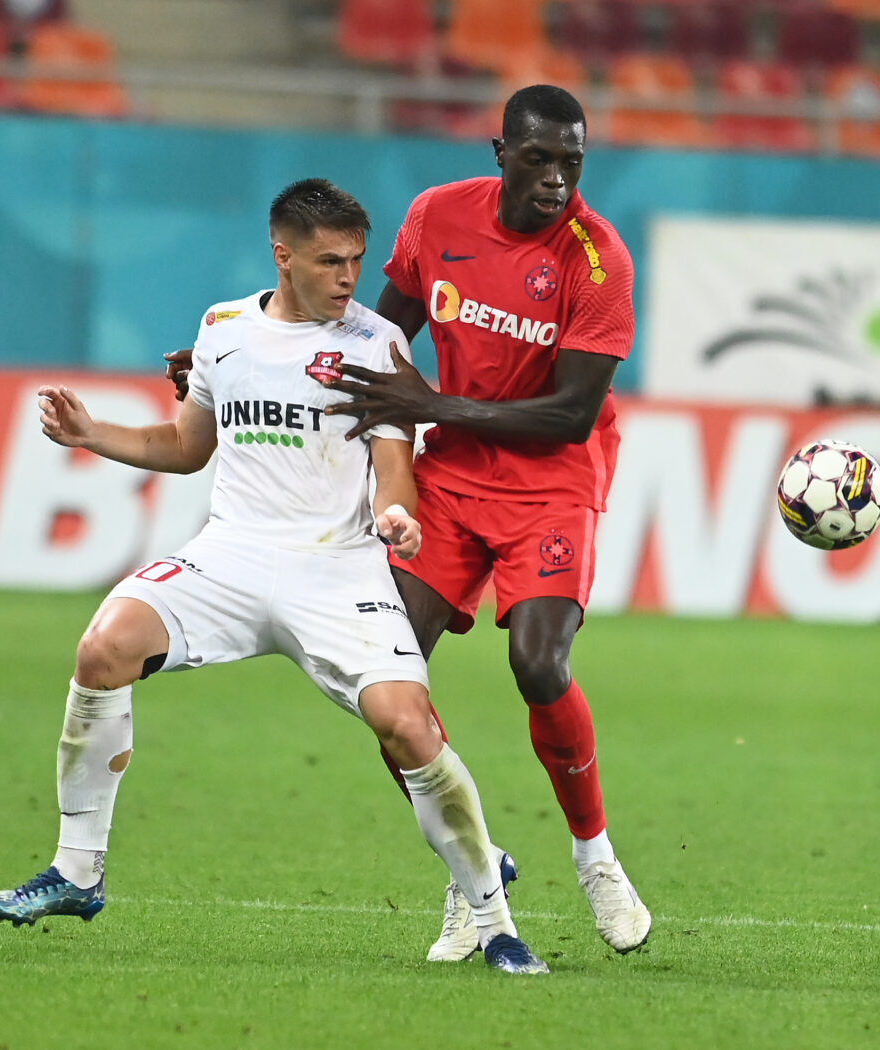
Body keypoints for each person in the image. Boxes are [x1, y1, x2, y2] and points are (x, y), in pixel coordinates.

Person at [0, 177, 548, 976]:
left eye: (357, 258)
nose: (349, 276)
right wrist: (90, 433)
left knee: (410, 727)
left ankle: (495, 922)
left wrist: (395, 514)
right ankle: (76, 873)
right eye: (329, 261)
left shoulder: (378, 342)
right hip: (232, 556)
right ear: (281, 256)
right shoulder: (222, 331)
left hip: (336, 565)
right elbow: (186, 447)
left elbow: (395, 465)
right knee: (103, 649)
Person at [165, 85, 651, 961]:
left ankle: (596, 858)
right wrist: (228, 364)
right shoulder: (438, 217)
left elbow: (573, 413)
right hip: (452, 481)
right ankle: (476, 876)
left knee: (538, 665)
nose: (555, 181)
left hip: (552, 483)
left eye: (571, 164)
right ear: (500, 153)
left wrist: (434, 403)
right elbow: (367, 337)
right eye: (538, 160)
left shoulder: (598, 259)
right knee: (386, 680)